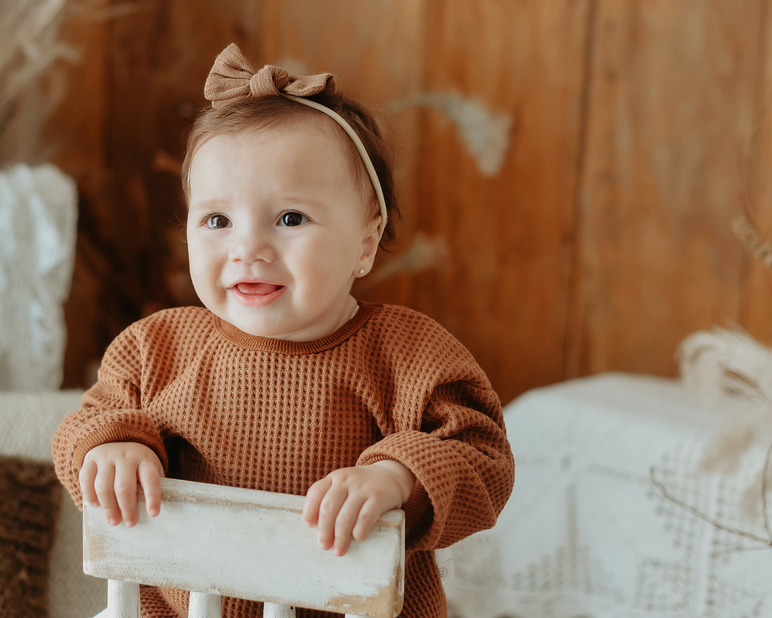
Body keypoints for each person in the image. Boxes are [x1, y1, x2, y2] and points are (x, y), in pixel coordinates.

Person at [52, 44, 514, 618]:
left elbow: (484, 457)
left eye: (290, 218)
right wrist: (110, 446)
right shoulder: (155, 348)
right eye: (217, 220)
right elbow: (86, 422)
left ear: (365, 242)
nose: (248, 248)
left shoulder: (408, 354)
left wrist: (398, 475)